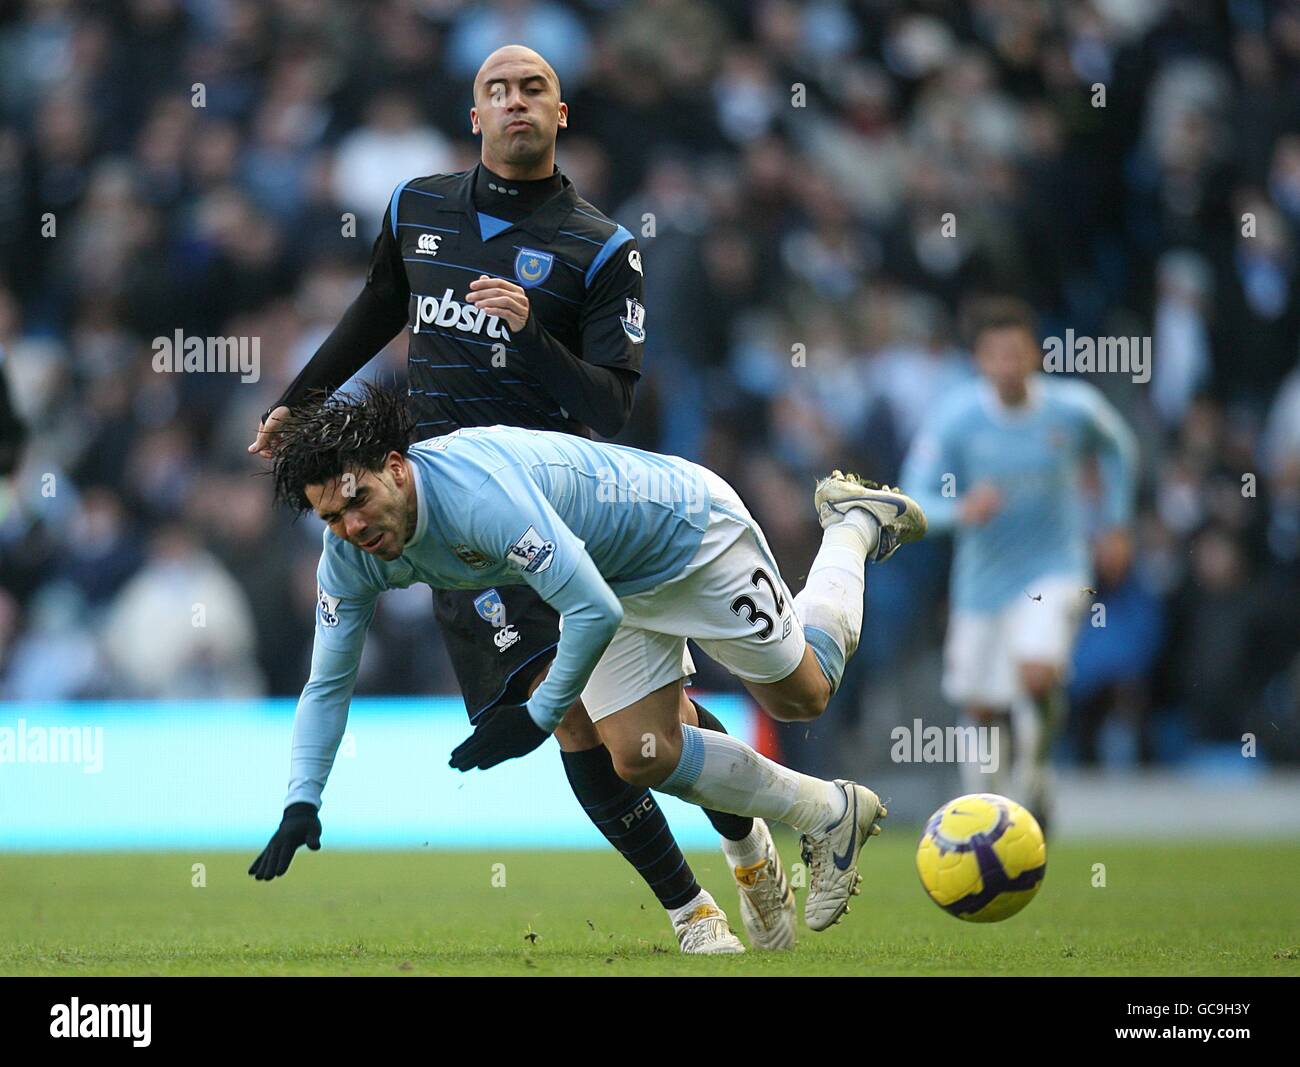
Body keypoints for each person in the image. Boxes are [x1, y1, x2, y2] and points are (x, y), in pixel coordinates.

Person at [247, 45, 767, 953]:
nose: (516, 102)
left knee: (643, 729)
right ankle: (693, 914)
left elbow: (610, 405)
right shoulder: (417, 208)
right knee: (572, 717)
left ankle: (749, 840)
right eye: (498, 91)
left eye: (534, 90)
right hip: (437, 510)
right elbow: (378, 308)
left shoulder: (601, 246)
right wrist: (300, 397)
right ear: (473, 116)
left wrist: (528, 339)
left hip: (557, 505)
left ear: (560, 115)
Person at [250, 385, 927, 939]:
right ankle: (828, 810)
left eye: (357, 500)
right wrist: (300, 799)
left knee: (803, 695)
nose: (351, 526)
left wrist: (537, 717)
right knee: (640, 752)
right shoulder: (349, 556)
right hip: (610, 580)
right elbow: (327, 683)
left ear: (397, 467)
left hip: (687, 534)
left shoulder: (478, 498)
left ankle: (852, 523)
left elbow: (591, 612)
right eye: (330, 517)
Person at [900, 298, 1138, 830]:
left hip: (1056, 568)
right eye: (995, 355)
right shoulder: (956, 418)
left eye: (1017, 352)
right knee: (982, 708)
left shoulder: (1073, 409)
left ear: (1035, 353)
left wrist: (1116, 523)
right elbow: (912, 498)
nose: (1008, 365)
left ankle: (1034, 774)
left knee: (1036, 673)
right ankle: (991, 817)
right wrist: (960, 509)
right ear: (979, 361)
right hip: (982, 583)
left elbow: (1119, 447)